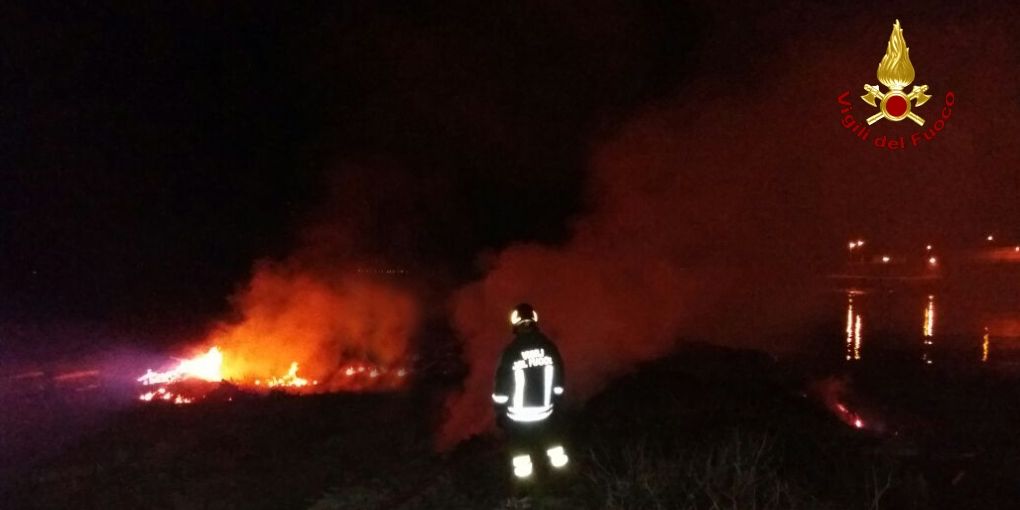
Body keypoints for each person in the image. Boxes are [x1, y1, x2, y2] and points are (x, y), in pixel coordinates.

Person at [491, 303, 569, 480]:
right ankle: (563, 483)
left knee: (522, 457)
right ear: (534, 320)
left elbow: (501, 389)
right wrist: (556, 403)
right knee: (555, 450)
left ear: (515, 323)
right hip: (546, 414)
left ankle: (526, 491)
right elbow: (559, 381)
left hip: (518, 418)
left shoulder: (511, 352)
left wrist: (500, 413)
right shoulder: (549, 347)